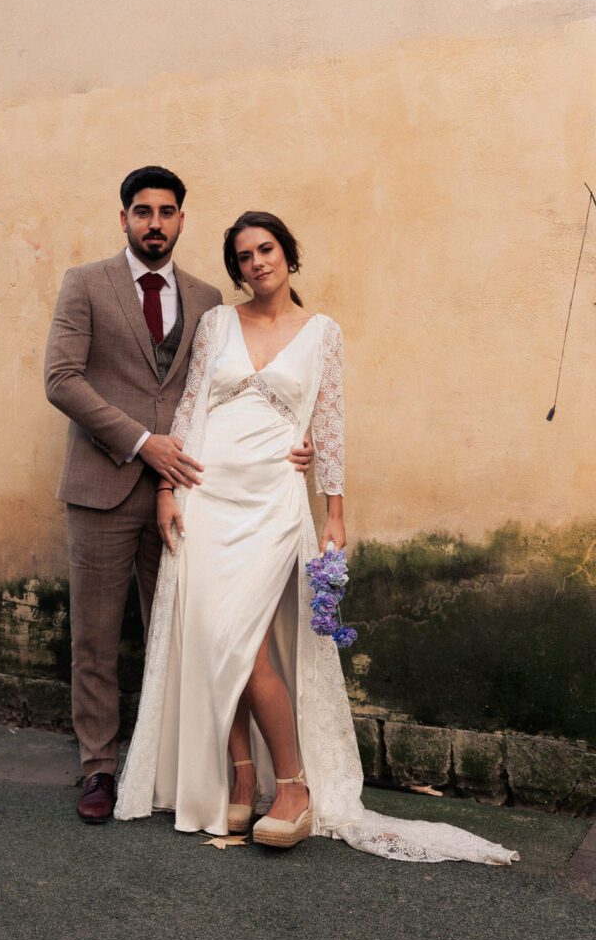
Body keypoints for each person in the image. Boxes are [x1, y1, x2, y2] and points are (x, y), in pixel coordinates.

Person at [114, 211, 519, 865]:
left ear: (288, 255)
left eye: (266, 249)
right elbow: (191, 407)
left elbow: (328, 424)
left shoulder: (322, 332)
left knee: (245, 643)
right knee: (214, 637)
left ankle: (295, 787)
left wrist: (334, 511)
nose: (256, 263)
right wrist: (166, 489)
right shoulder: (219, 323)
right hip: (206, 493)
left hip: (274, 499)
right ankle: (243, 779)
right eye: (243, 256)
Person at [44, 174, 314, 823]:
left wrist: (292, 442)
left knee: (190, 637)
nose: (154, 222)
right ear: (124, 219)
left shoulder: (208, 298)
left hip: (197, 496)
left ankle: (176, 770)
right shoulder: (86, 283)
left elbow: (224, 391)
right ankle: (101, 770)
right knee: (97, 640)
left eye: (166, 212)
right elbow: (61, 379)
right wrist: (143, 442)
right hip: (105, 486)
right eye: (143, 212)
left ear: (182, 220)